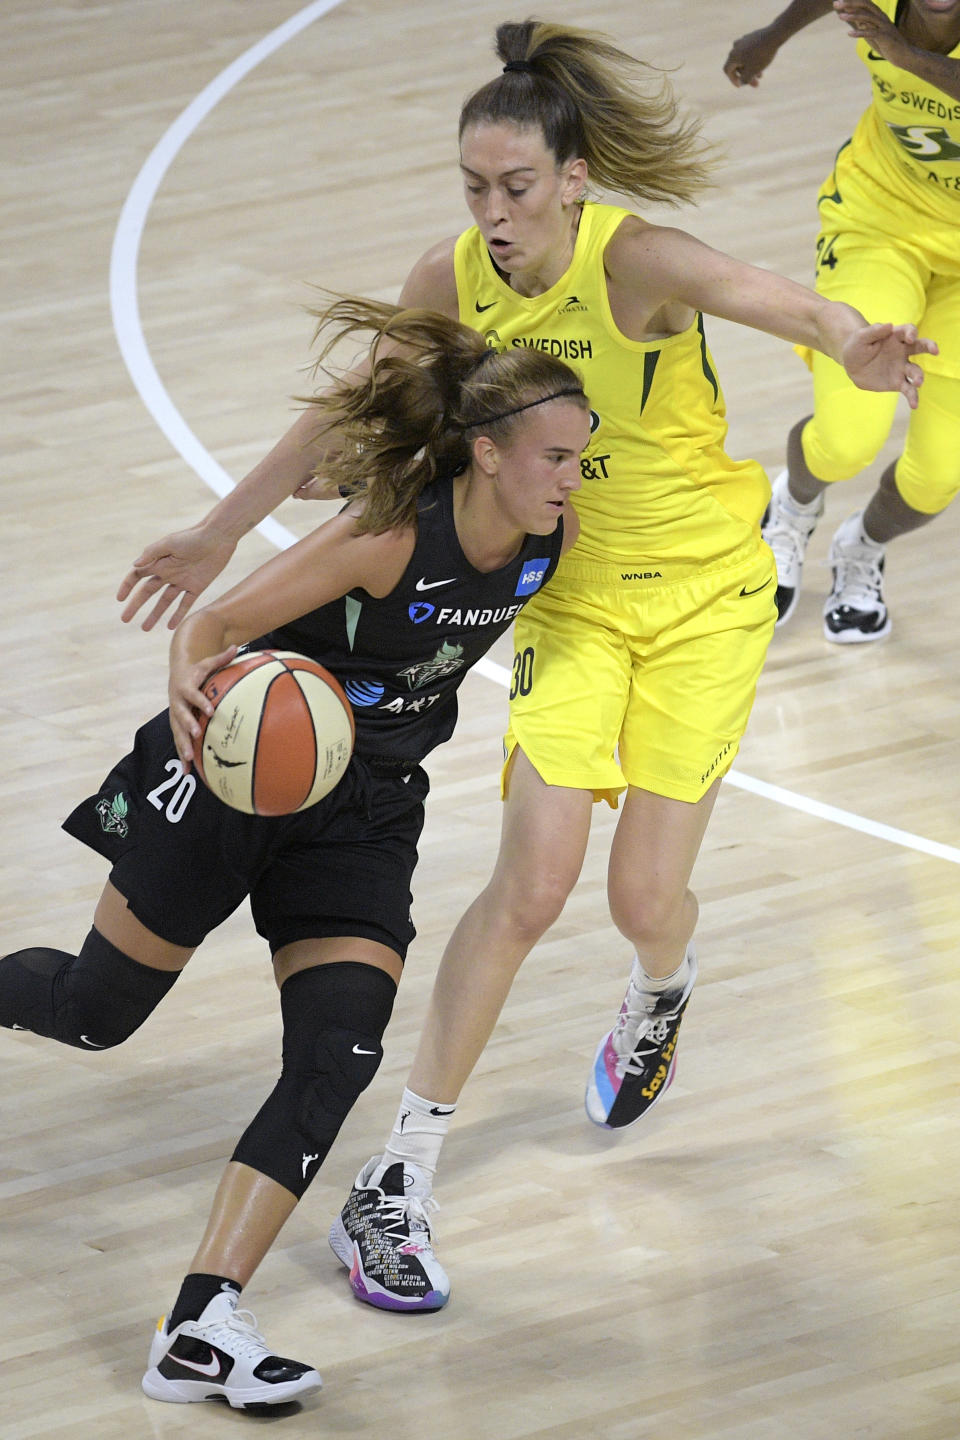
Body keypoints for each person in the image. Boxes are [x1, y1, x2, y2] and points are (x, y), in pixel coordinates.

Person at [116, 20, 934, 1316]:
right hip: (572, 611)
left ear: (573, 180)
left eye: (514, 187)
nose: (492, 214)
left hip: (710, 607)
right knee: (534, 884)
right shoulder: (454, 278)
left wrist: (851, 341)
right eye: (474, 188)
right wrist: (219, 529)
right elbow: (349, 405)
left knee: (644, 903)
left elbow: (772, 295)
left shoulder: (635, 264)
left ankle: (663, 990)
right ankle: (405, 1172)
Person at [0, 295, 588, 1407]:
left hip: (365, 809)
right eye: (555, 456)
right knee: (94, 1011)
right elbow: (216, 626)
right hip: (237, 781)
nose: (571, 477)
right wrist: (191, 677)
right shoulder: (385, 534)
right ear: (485, 452)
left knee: (341, 1048)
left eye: (579, 458)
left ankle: (199, 1323)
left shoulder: (550, 537)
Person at [725, 0, 960, 641]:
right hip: (881, 221)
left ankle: (862, 547)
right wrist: (773, 35)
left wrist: (905, 56)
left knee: (938, 475)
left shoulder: (901, 40)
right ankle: (793, 508)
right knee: (849, 435)